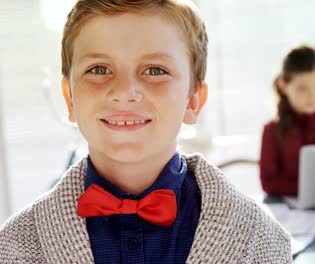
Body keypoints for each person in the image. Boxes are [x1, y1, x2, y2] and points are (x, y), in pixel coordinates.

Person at [0, 1, 291, 263]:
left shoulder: (263, 243)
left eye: (154, 70)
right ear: (69, 98)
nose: (125, 92)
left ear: (193, 101)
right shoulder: (14, 248)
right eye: (99, 69)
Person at [260, 45, 315, 196]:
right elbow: (269, 183)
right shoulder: (272, 130)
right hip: (289, 211)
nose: (312, 95)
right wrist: (312, 188)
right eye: (302, 88)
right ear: (283, 86)